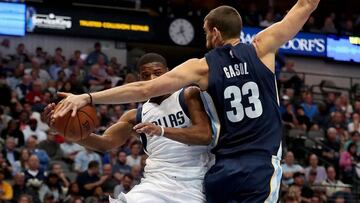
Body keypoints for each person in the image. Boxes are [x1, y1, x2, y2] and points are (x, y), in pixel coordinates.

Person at [53, 1, 320, 202]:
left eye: (205, 32)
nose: (205, 38)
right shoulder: (263, 47)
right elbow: (306, 4)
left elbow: (142, 88)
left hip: (220, 172)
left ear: (215, 33)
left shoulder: (200, 68)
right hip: (259, 165)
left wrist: (89, 97)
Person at [45, 53, 213, 203]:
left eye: (157, 73)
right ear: (139, 77)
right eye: (146, 75)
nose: (152, 79)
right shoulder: (136, 115)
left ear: (168, 73)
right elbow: (105, 143)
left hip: (193, 181)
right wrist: (67, 131)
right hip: (155, 184)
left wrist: (161, 130)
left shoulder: (188, 95)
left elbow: (204, 135)